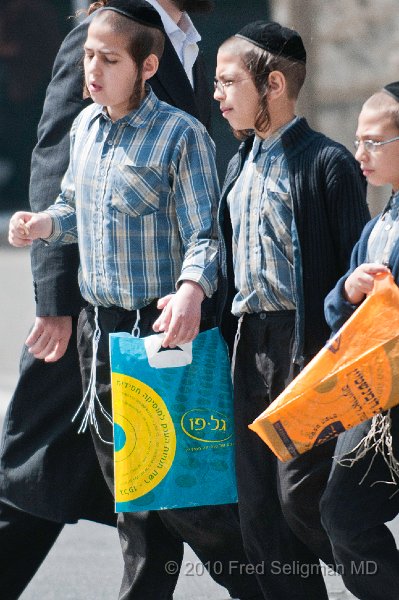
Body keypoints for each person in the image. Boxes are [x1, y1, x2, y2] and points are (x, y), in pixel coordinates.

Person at [1, 2, 263, 600]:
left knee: (175, 498)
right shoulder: (94, 93)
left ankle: (275, 587)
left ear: (145, 65)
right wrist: (49, 269)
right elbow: (61, 182)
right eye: (92, 58)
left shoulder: (180, 75)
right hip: (95, 331)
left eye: (107, 60)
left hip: (160, 326)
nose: (94, 67)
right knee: (123, 493)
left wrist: (194, 288)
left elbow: (201, 224)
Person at [214, 21, 371, 599]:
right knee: (258, 514)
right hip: (248, 348)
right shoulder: (238, 165)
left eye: (229, 81)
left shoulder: (326, 164)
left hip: (304, 347)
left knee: (302, 499)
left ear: (273, 83)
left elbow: (353, 274)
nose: (218, 94)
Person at [320, 82, 399, 600]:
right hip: (377, 403)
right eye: (357, 141)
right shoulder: (378, 226)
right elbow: (336, 315)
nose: (359, 155)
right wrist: (350, 289)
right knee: (342, 513)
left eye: (373, 142)